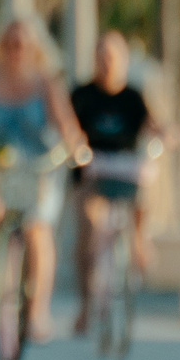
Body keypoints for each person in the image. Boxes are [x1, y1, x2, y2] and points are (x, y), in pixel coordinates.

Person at [0, 16, 86, 343]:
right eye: (11, 43)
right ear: (0, 47)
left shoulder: (45, 84)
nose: (17, 50)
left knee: (37, 229)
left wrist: (77, 146)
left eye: (24, 44)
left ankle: (39, 311)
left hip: (35, 168)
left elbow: (67, 126)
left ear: (36, 48)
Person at [68, 30, 160, 333]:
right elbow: (68, 127)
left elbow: (153, 124)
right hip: (90, 173)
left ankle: (139, 243)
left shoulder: (134, 97)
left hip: (125, 172)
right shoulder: (81, 95)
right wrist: (74, 144)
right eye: (102, 56)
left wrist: (166, 133)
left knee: (143, 198)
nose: (107, 63)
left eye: (113, 57)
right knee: (89, 232)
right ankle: (86, 305)